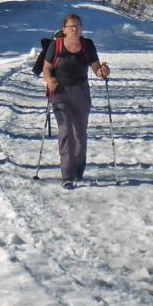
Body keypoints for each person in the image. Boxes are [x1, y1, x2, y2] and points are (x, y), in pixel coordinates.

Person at [42, 13, 110, 188]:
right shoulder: (55, 45)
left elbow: (95, 66)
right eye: (71, 26)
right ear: (64, 29)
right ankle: (67, 176)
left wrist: (102, 71)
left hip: (81, 92)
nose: (75, 29)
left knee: (80, 133)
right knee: (65, 131)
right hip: (60, 93)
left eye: (78, 26)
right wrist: (50, 80)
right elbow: (47, 68)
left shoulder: (87, 45)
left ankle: (78, 171)